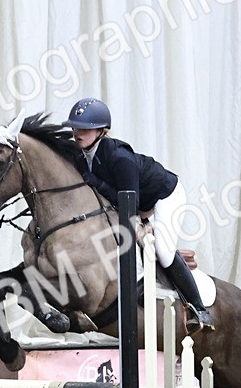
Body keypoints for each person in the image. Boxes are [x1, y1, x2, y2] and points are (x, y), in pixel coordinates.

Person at [63, 97, 215, 330]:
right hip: (135, 200)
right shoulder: (82, 154)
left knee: (163, 251)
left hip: (164, 195)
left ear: (102, 131)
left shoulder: (118, 157)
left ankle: (199, 309)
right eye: (75, 127)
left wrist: (97, 183)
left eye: (85, 128)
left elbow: (130, 204)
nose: (78, 133)